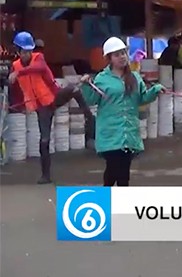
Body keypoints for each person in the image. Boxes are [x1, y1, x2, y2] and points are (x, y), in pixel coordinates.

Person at [79, 37, 164, 186]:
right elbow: (91, 100)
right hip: (110, 134)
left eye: (123, 53)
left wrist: (156, 90)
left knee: (123, 173)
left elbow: (142, 99)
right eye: (117, 54)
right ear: (109, 58)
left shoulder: (135, 78)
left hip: (128, 132)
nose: (122, 57)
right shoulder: (102, 79)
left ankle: (117, 204)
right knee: (113, 170)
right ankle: (107, 202)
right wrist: (86, 85)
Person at [8, 31, 59, 184]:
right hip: (39, 105)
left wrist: (19, 72)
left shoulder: (39, 58)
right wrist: (13, 105)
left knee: (73, 90)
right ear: (17, 52)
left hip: (53, 98)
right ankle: (46, 175)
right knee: (44, 141)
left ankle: (90, 119)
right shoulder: (15, 66)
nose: (27, 54)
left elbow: (39, 68)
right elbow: (15, 89)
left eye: (29, 51)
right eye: (24, 52)